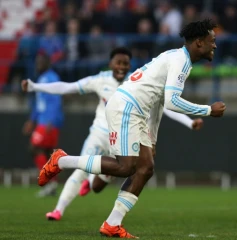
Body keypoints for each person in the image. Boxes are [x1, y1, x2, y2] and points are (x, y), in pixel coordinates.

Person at [38, 19, 226, 238]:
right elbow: (173, 101)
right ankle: (61, 160)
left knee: (145, 168)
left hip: (133, 109)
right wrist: (208, 110)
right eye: (212, 40)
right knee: (126, 167)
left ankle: (112, 224)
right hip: (126, 107)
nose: (215, 45)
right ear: (199, 42)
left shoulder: (176, 57)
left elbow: (159, 102)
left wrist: (152, 139)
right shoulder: (181, 61)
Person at [22, 47, 204, 221]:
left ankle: (93, 182)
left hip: (122, 135)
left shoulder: (135, 81)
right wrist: (34, 87)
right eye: (118, 63)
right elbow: (67, 87)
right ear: (110, 64)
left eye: (125, 64)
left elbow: (163, 105)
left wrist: (189, 122)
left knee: (102, 184)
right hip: (99, 133)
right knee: (81, 171)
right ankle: (58, 210)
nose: (122, 67)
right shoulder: (100, 80)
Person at [22, 52, 64, 197]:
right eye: (37, 62)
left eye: (40, 62)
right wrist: (32, 120)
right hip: (42, 121)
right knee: (46, 153)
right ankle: (52, 184)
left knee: (35, 148)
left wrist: (49, 121)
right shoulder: (41, 79)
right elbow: (39, 104)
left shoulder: (52, 78)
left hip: (48, 122)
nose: (37, 65)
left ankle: (49, 182)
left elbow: (55, 101)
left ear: (47, 63)